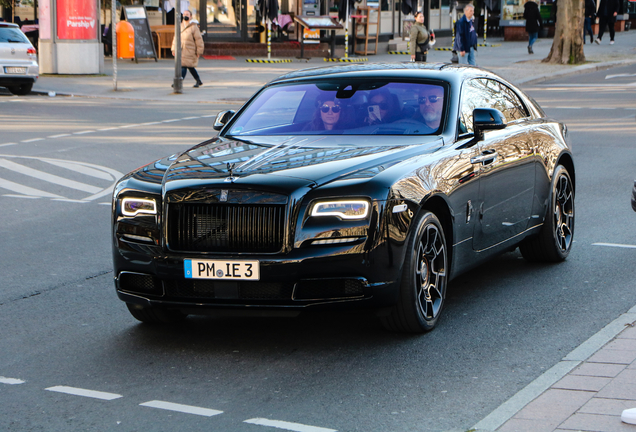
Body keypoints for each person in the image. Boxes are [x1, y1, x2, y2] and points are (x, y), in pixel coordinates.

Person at [171, 10, 205, 88]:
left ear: (190, 16)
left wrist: (199, 51)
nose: (185, 15)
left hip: (191, 51)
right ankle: (198, 80)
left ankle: (178, 82)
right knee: (189, 67)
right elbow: (175, 38)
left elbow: (199, 40)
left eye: (187, 14)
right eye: (184, 14)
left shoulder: (194, 27)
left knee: (185, 66)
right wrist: (173, 49)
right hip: (182, 50)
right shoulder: (179, 26)